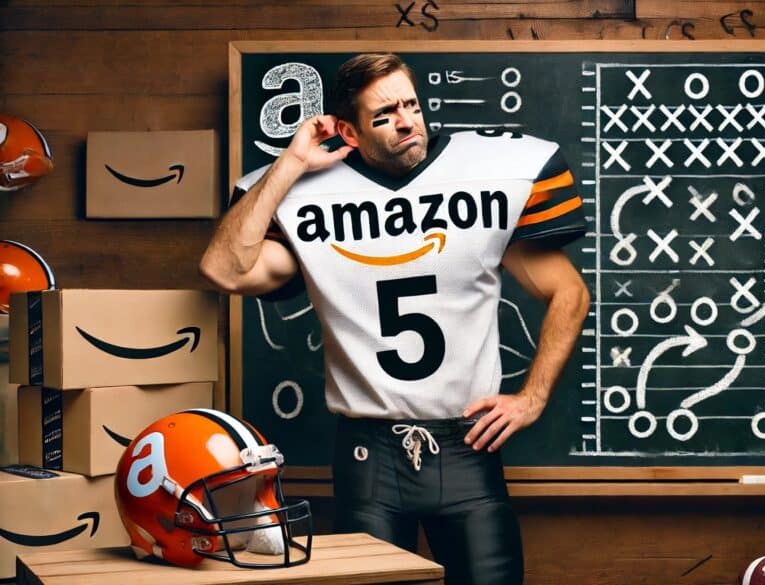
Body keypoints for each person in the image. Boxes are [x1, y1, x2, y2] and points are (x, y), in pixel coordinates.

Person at [199, 53, 589, 585]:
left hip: (468, 445)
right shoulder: (313, 199)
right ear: (348, 132)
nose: (407, 121)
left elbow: (568, 292)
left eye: (412, 105)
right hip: (369, 458)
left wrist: (534, 396)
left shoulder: (485, 181)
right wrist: (289, 164)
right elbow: (223, 268)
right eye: (384, 114)